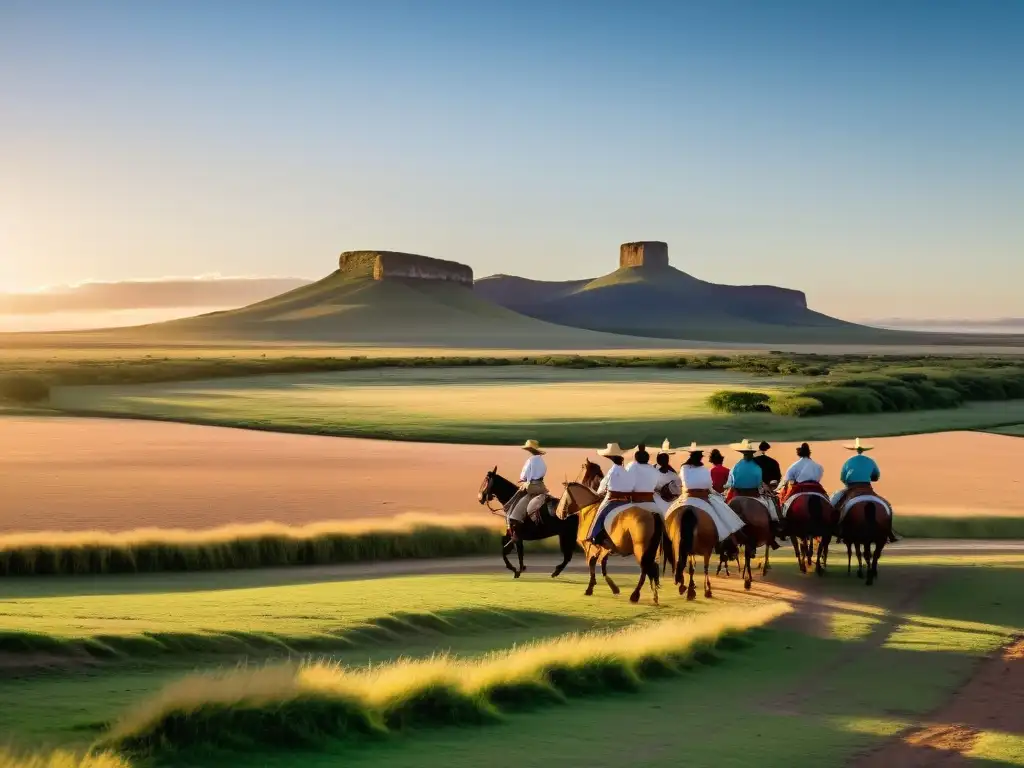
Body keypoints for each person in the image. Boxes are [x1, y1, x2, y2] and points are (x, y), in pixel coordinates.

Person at [831, 437, 897, 542]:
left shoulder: (848, 461)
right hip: (867, 486)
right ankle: (889, 532)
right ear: (864, 450)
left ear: (854, 450)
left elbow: (842, 478)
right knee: (887, 505)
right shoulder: (870, 461)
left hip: (851, 487)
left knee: (834, 503)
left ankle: (835, 529)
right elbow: (876, 476)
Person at [677, 443, 745, 543]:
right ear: (700, 458)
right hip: (705, 496)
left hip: (687, 496)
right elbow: (709, 485)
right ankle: (728, 540)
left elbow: (683, 483)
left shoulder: (684, 468)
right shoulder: (705, 470)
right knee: (725, 515)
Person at [725, 438, 781, 546]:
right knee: (771, 506)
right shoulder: (756, 467)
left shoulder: (735, 467)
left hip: (737, 494)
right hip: (754, 494)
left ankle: (723, 537)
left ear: (742, 453)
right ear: (752, 454)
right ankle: (775, 527)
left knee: (723, 510)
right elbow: (759, 483)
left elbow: (730, 483)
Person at [586, 443, 635, 546]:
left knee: (599, 514)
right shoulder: (626, 472)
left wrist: (599, 493)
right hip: (627, 501)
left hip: (612, 500)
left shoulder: (611, 472)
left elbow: (602, 488)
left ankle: (594, 535)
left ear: (611, 459)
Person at [506, 439, 548, 541]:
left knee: (516, 510)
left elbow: (523, 475)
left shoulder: (530, 461)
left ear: (530, 450)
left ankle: (516, 532)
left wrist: (523, 479)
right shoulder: (542, 461)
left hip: (531, 487)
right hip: (541, 487)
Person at [626, 443, 663, 517]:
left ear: (636, 458)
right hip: (652, 503)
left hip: (636, 503)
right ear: (648, 458)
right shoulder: (655, 470)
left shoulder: (632, 466)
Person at [654, 439, 682, 516]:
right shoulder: (674, 475)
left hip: (658, 504)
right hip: (670, 506)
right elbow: (679, 491)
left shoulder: (650, 471)